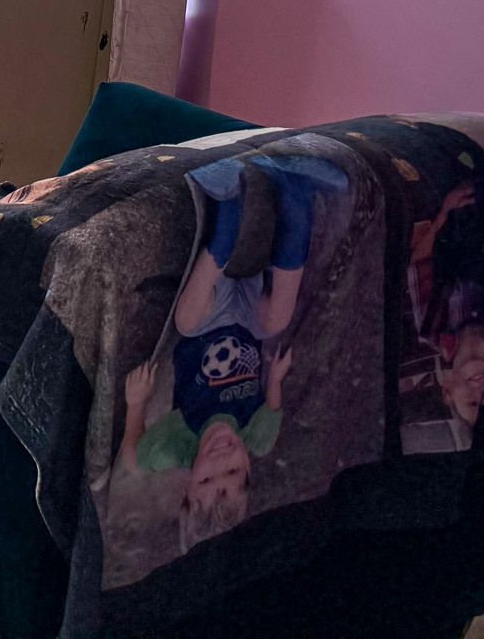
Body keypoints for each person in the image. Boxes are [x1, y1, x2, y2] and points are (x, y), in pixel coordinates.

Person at [116, 153, 348, 553]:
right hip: (246, 319)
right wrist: (274, 381)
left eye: (208, 479)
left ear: (186, 484)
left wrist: (135, 405)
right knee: (277, 320)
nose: (222, 458)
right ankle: (295, 193)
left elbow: (133, 460)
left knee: (186, 321)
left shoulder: (175, 444)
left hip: (205, 319)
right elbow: (272, 413)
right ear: (248, 468)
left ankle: (228, 203)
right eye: (234, 471)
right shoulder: (257, 439)